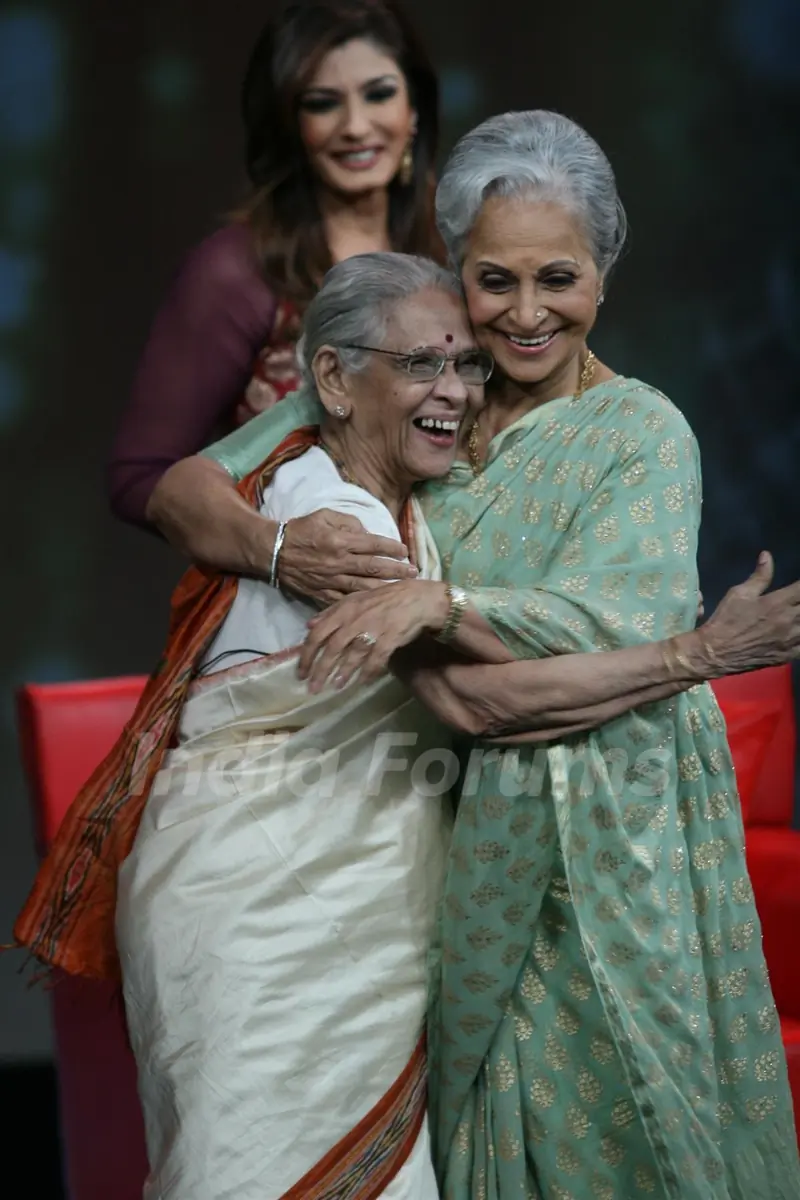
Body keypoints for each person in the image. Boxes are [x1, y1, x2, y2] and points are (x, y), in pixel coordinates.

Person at [143, 113, 800, 1197]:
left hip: (610, 826)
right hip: (448, 813)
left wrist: (435, 601)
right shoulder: (421, 384)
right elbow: (183, 485)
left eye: (560, 278)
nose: (526, 313)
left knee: (623, 1128)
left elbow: (609, 633)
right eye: (496, 279)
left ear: (604, 273)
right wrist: (279, 548)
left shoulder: (640, 433)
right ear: (457, 268)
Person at [17, 254, 494, 1199]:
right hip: (264, 908)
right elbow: (478, 701)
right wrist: (688, 659)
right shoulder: (336, 521)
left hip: (302, 901)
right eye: (421, 365)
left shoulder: (323, 477)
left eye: (470, 366)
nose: (454, 391)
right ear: (331, 380)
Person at [108, 0, 441, 528]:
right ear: (290, 123)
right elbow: (141, 475)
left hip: (459, 600)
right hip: (292, 600)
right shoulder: (237, 272)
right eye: (323, 103)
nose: (356, 126)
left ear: (414, 108)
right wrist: (276, 552)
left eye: (379, 94)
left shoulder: (461, 253)